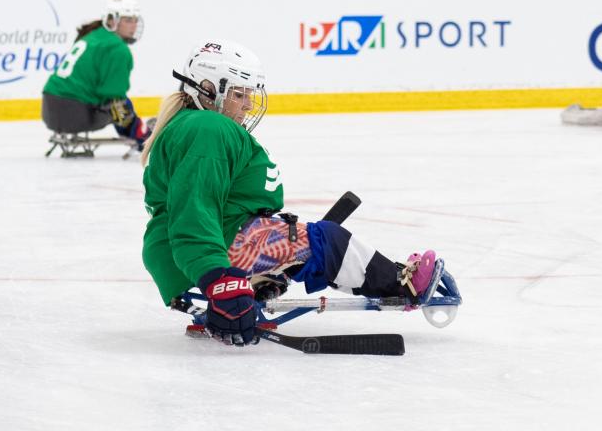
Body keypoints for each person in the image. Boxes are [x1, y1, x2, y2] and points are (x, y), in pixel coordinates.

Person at [140, 40, 445, 346]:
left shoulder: (199, 125)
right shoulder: (208, 128)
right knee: (328, 240)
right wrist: (220, 281)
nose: (247, 104)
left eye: (249, 95)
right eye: (238, 94)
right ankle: (403, 284)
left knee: (303, 244)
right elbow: (195, 211)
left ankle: (264, 274)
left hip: (203, 244)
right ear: (207, 89)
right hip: (211, 245)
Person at [41, 0, 152, 147]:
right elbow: (114, 98)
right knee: (121, 104)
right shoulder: (118, 48)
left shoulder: (93, 35)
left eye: (135, 20)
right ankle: (142, 134)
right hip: (75, 115)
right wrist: (138, 131)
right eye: (128, 20)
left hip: (49, 110)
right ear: (112, 20)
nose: (133, 25)